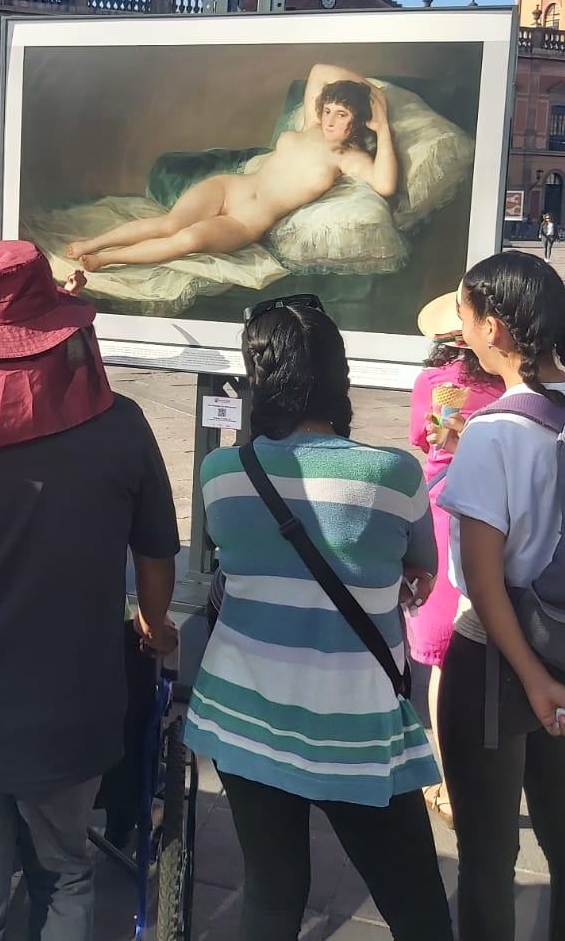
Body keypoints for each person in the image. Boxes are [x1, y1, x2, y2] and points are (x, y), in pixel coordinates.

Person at [0, 241, 181, 941]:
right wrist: (155, 622)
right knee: (65, 872)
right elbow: (157, 553)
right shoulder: (122, 427)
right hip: (72, 709)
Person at [184, 294, 453, 940]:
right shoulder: (392, 473)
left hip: (241, 712)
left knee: (273, 895)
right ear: (340, 376)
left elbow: (237, 552)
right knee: (416, 904)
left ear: (259, 382)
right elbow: (420, 567)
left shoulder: (222, 472)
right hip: (354, 724)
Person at [436, 251, 565, 941]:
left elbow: (480, 580)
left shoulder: (497, 431)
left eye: (465, 314)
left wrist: (530, 680)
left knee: (486, 858)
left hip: (497, 663)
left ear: (496, 329)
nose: (460, 327)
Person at [66, 65, 397, 270]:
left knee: (187, 239)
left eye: (342, 115)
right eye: (329, 110)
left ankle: (102, 260)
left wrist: (382, 126)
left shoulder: (347, 157)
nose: (329, 120)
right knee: (170, 224)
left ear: (357, 122)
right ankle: (92, 244)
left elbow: (385, 185)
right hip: (230, 187)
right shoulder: (312, 124)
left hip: (245, 221)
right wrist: (369, 91)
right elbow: (320, 71)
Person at [406, 294, 503, 830]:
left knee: (447, 659)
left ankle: (453, 786)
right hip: (503, 518)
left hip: (448, 516)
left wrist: (450, 415)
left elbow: (427, 440)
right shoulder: (511, 382)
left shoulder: (435, 385)